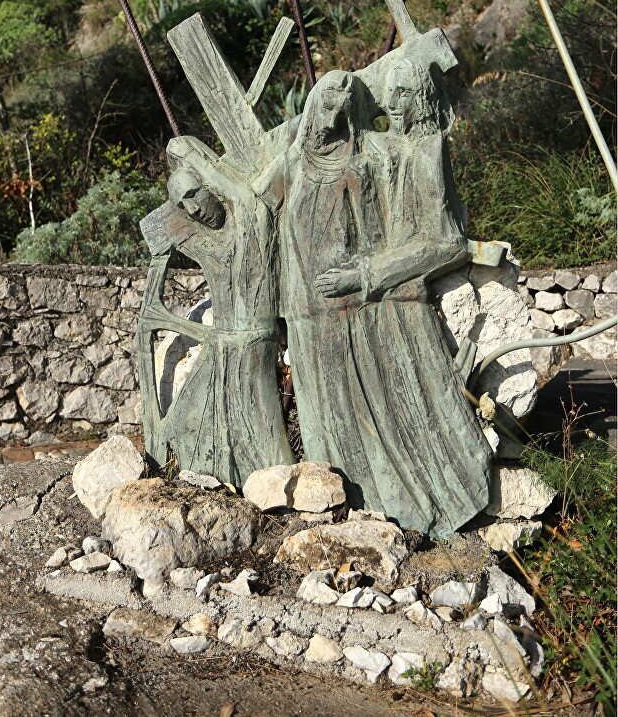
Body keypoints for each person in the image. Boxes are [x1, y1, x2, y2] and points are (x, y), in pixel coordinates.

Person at [271, 67, 488, 537]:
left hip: (382, 303)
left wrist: (367, 275)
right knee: (349, 422)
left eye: (404, 95)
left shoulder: (401, 153)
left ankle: (435, 508)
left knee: (412, 419)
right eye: (324, 104)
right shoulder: (300, 161)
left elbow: (444, 241)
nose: (393, 105)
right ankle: (362, 507)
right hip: (327, 309)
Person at [140, 136, 293, 486]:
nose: (192, 210)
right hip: (222, 348)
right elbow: (156, 232)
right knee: (188, 427)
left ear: (211, 185)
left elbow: (241, 196)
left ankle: (276, 490)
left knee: (266, 443)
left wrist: (188, 151)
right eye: (183, 205)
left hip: (255, 347)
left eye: (194, 195)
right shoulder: (201, 239)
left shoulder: (251, 219)